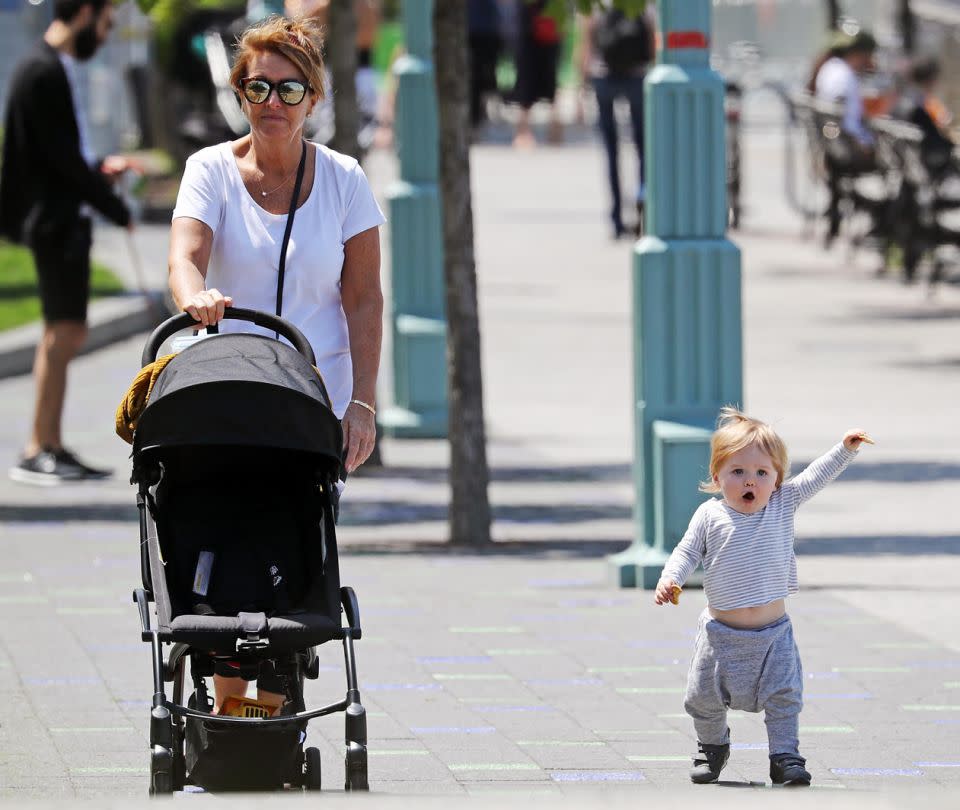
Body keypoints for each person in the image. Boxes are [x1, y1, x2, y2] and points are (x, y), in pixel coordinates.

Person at [166, 14, 385, 715]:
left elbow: (363, 298)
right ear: (239, 92)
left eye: (290, 90)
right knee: (217, 525)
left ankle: (278, 681)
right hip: (223, 393)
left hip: (310, 402)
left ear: (314, 99)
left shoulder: (346, 180)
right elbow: (185, 253)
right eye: (257, 87)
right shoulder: (210, 171)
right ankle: (232, 700)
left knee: (294, 531)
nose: (272, 103)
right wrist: (194, 294)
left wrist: (364, 404)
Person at [654, 407, 872, 786]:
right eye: (737, 472)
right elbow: (687, 552)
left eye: (761, 473)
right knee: (700, 697)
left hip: (773, 634)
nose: (749, 481)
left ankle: (785, 757)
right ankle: (712, 745)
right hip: (720, 636)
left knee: (785, 697)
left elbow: (815, 478)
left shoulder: (782, 503)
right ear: (717, 475)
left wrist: (845, 448)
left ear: (776, 479)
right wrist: (671, 578)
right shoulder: (710, 515)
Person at [0, 0, 136, 485]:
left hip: (58, 220)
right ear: (84, 13)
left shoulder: (46, 68)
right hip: (55, 224)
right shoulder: (42, 72)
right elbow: (60, 162)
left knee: (67, 331)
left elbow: (62, 156)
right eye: (104, 22)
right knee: (63, 333)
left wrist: (100, 172)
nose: (104, 33)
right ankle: (40, 447)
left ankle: (49, 442)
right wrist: (115, 208)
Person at [580, 3, 656, 238]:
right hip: (636, 75)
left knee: (611, 151)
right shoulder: (642, 5)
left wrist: (583, 80)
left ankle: (615, 218)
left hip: (604, 77)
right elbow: (653, 35)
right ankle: (643, 208)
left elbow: (587, 40)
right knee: (643, 148)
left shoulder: (598, 5)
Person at [511, 0, 563, 148]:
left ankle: (554, 130)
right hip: (529, 33)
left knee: (549, 81)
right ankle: (523, 132)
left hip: (548, 31)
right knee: (527, 83)